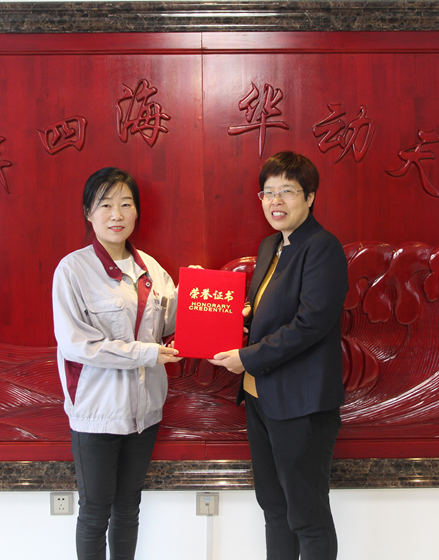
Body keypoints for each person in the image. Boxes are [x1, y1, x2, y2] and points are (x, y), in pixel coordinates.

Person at [209, 151, 348, 560]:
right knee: (274, 508)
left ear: (310, 196)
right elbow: (269, 314)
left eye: (288, 191)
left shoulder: (322, 247)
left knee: (307, 515)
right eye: (268, 192)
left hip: (300, 405)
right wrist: (237, 321)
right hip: (261, 397)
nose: (276, 202)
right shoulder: (272, 245)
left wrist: (248, 358)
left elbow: (310, 324)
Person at [52, 167, 182, 560]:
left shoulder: (152, 270)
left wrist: (207, 304)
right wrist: (145, 352)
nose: (117, 214)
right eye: (105, 205)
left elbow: (174, 325)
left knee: (128, 508)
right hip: (97, 413)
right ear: (88, 213)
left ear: (136, 212)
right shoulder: (72, 270)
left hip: (145, 412)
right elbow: (78, 345)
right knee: (94, 512)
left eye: (126, 204)